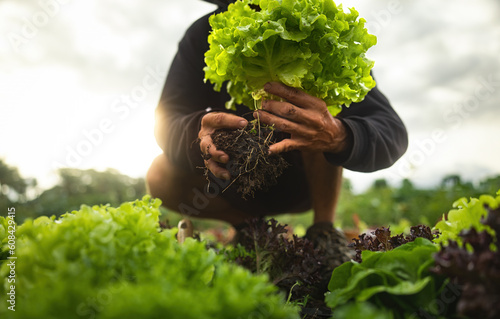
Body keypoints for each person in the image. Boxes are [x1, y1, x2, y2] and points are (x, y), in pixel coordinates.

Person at [146, 1, 408, 263]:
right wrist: (197, 131)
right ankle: (251, 229)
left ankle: (324, 231)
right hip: (232, 181)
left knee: (323, 113)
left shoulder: (318, 25)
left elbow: (391, 131)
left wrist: (339, 134)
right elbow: (167, 118)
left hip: (305, 182)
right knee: (158, 175)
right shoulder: (204, 33)